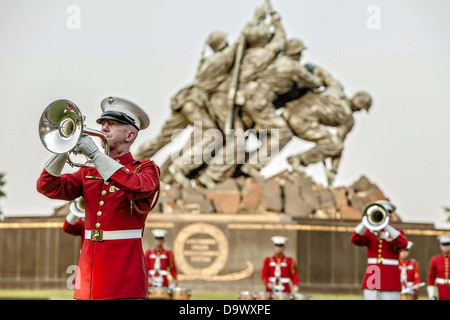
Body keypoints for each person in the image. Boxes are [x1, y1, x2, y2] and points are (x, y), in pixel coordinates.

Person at [37, 96, 160, 300]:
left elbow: (137, 187)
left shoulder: (144, 169)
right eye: (102, 123)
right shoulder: (88, 171)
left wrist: (95, 154)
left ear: (130, 135)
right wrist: (65, 146)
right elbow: (47, 187)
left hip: (124, 278)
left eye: (112, 124)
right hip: (88, 278)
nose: (103, 128)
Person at [283, 63, 372, 186]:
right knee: (335, 145)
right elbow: (337, 146)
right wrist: (333, 170)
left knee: (272, 140)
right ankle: (298, 160)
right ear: (360, 108)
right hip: (302, 122)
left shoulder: (336, 88)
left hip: (289, 110)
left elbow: (318, 71)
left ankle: (253, 164)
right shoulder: (348, 119)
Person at [350, 201, 408, 300]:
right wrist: (364, 222)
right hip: (373, 273)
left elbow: (403, 244)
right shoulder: (370, 231)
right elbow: (355, 239)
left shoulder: (397, 232)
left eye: (388, 212)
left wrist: (386, 226)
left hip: (390, 276)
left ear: (391, 216)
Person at [427, 234, 450, 300]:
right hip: (439, 290)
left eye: (447, 244)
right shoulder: (435, 260)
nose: (445, 247)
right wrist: (432, 293)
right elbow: (431, 277)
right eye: (443, 244)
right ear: (440, 246)